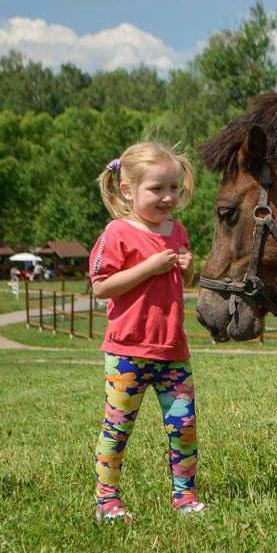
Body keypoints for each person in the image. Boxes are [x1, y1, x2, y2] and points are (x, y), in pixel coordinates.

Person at [89, 142, 205, 522]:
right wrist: (150, 266)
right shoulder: (118, 231)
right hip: (127, 353)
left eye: (174, 188)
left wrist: (187, 268)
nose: (168, 197)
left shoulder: (178, 231)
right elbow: (101, 286)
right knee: (118, 429)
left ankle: (184, 496)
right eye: (157, 189)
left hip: (173, 350)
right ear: (128, 189)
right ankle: (107, 501)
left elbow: (181, 282)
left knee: (183, 428)